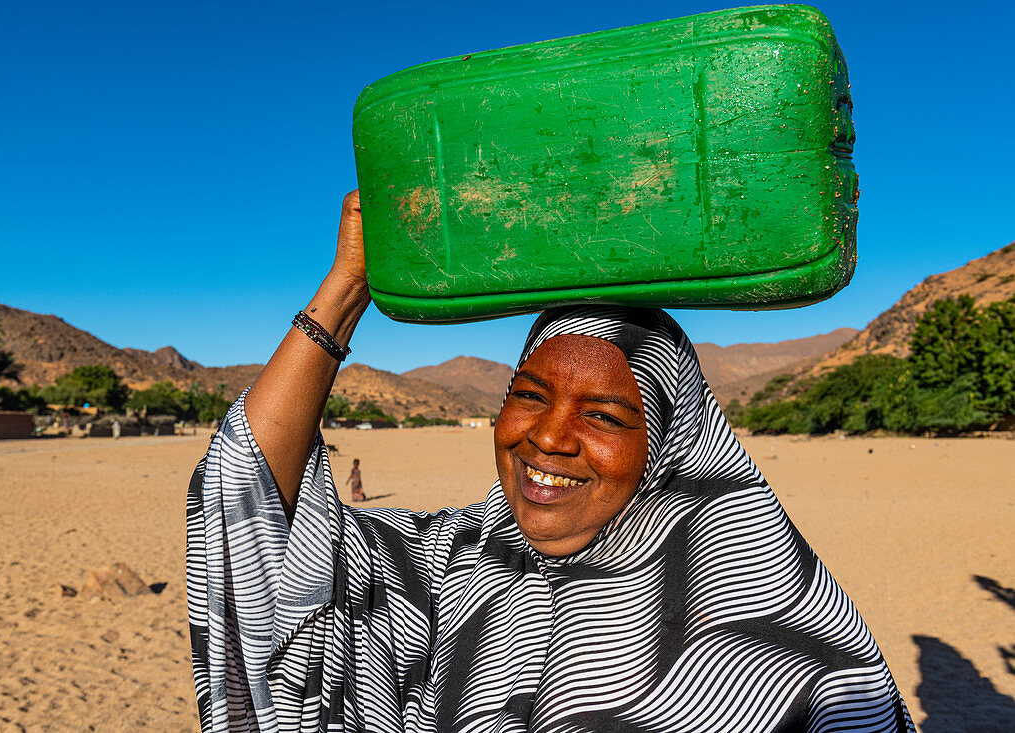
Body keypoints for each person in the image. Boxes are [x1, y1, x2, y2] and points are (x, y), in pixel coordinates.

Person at [186, 191, 915, 732]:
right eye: (529, 394)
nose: (549, 437)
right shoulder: (454, 558)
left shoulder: (773, 640)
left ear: (667, 443)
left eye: (602, 414)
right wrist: (344, 291)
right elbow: (248, 503)